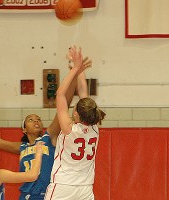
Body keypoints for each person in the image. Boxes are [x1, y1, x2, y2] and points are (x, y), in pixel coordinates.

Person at [0, 52, 92, 200]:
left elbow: (63, 105)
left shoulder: (49, 137)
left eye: (38, 119)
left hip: (48, 194)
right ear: (24, 129)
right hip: (27, 196)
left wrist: (73, 76)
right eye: (30, 119)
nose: (36, 121)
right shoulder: (21, 148)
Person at [44, 46, 105, 200]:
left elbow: (60, 94)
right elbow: (83, 91)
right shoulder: (94, 128)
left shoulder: (69, 129)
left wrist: (75, 68)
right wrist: (78, 69)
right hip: (85, 188)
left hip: (63, 186)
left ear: (76, 114)